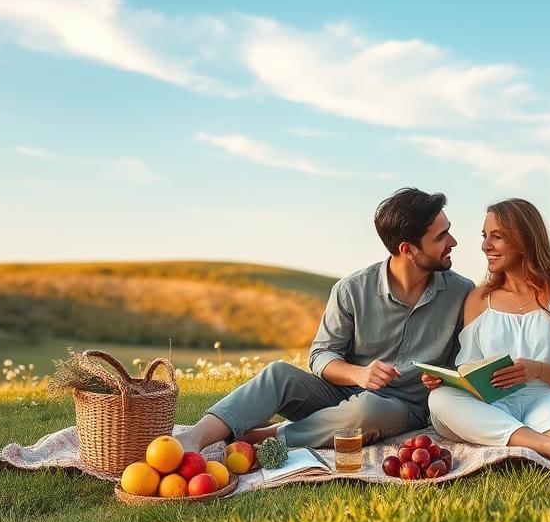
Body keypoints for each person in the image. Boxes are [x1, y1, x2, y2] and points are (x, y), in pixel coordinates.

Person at [176, 188, 474, 453]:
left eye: (448, 230)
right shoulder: (352, 289)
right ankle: (192, 439)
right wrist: (358, 374)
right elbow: (321, 356)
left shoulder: (462, 292)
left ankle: (270, 437)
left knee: (367, 410)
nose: (453, 241)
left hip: (403, 408)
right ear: (407, 249)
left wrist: (442, 377)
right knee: (278, 373)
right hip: (340, 393)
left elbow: (465, 363)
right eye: (440, 237)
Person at [423, 198, 550, 465]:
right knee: (440, 399)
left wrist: (537, 370)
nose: (485, 245)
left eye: (497, 237)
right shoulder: (479, 298)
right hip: (494, 404)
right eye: (485, 236)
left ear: (525, 239)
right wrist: (449, 380)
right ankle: (547, 442)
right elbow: (468, 366)